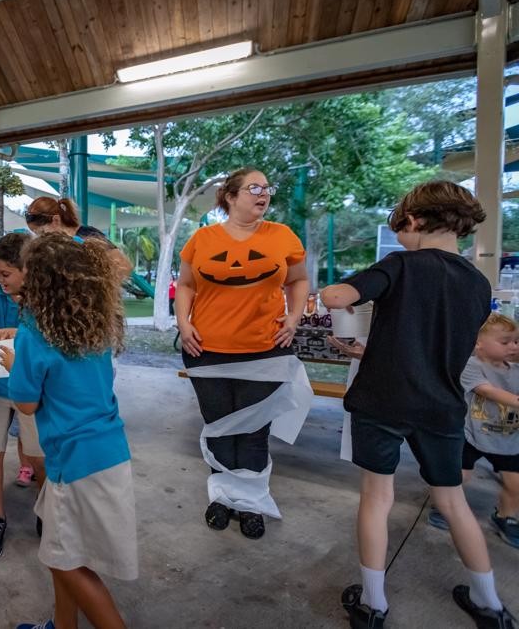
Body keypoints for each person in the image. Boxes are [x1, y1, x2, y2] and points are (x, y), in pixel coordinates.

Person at [321, 180, 515, 628]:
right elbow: (432, 343)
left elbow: (336, 297)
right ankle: (490, 604)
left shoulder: (400, 265)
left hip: (383, 402)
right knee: (453, 502)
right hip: (441, 407)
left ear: (412, 221)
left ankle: (373, 604)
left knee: (377, 497)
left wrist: (338, 295)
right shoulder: (477, 282)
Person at [2, 233, 135, 629]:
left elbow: (26, 404)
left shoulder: (34, 332)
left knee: (66, 564)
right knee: (61, 551)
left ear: (39, 280)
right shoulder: (94, 325)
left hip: (72, 462)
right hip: (109, 453)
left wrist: (14, 366)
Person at [175, 168, 310, 539]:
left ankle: (250, 502)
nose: (263, 193)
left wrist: (294, 317)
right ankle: (222, 497)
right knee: (219, 429)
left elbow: (299, 280)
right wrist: (183, 324)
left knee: (253, 432)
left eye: (267, 188)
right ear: (230, 196)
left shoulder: (282, 236)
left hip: (266, 351)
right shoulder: (202, 239)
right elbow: (186, 285)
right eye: (254, 188)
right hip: (206, 352)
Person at [0, 232, 45, 559]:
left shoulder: (44, 297)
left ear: (27, 269)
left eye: (6, 273)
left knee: (39, 455)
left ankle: (46, 508)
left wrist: (19, 339)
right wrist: (9, 333)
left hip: (31, 386)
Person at [423, 313, 519, 547]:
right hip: (471, 433)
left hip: (507, 437)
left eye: (516, 341)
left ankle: (505, 516)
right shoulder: (470, 366)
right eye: (505, 342)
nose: (513, 347)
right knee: (456, 475)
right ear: (478, 344)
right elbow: (487, 391)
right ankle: (442, 506)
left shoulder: (515, 369)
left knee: (515, 483)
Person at [25, 197, 132, 281]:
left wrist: (95, 284)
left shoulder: (87, 235)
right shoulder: (52, 247)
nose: (41, 239)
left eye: (42, 233)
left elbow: (124, 266)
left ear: (56, 220)